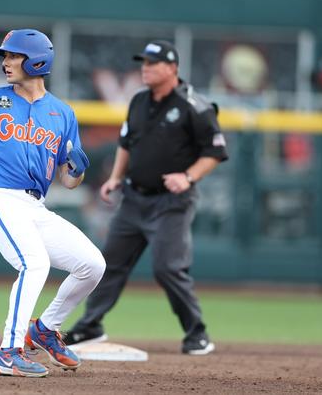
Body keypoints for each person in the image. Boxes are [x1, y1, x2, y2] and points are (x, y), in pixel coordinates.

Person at [0, 29, 106, 377]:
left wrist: (78, 170)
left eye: (13, 55)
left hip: (35, 205)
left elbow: (68, 181)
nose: (5, 62)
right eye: (4, 56)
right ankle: (8, 351)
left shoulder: (62, 114)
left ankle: (46, 329)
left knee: (93, 264)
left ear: (37, 60)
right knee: (35, 264)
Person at [64, 40, 228, 355]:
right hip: (134, 198)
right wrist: (115, 177)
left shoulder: (195, 106)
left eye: (153, 63)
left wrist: (189, 176)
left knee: (168, 268)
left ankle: (197, 333)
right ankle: (89, 326)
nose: (146, 68)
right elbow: (125, 144)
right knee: (108, 263)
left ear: (172, 69)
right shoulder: (138, 101)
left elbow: (216, 151)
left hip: (171, 203)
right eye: (144, 63)